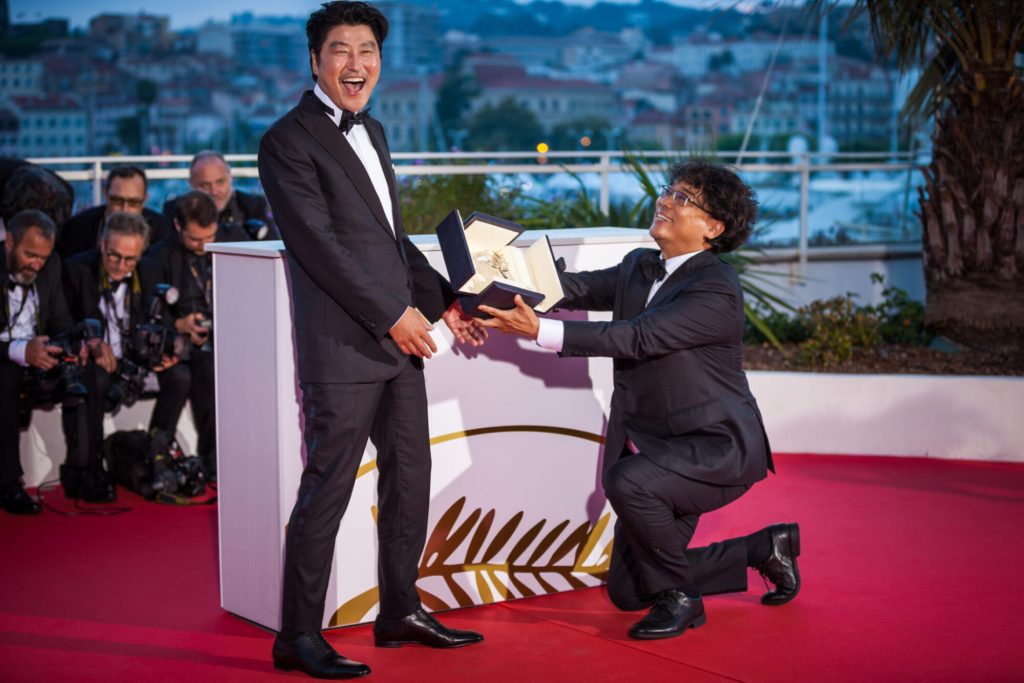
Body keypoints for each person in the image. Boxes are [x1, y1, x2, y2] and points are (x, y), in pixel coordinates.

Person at [478, 159, 801, 640]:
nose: (666, 200)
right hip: (662, 448)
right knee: (629, 592)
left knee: (629, 481)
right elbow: (573, 287)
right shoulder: (640, 265)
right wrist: (486, 281)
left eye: (683, 198)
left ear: (714, 227)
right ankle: (762, 549)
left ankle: (683, 599)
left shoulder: (717, 288)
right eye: (670, 190)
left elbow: (638, 337)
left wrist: (540, 330)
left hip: (717, 449)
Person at [258, 2, 486, 678]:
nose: (357, 63)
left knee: (411, 478)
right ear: (314, 59)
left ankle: (399, 610)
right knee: (327, 489)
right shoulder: (285, 141)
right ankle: (296, 634)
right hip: (343, 346)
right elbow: (321, 250)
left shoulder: (376, 130)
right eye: (340, 49)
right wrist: (395, 314)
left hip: (397, 346)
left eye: (368, 50)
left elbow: (389, 243)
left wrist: (449, 298)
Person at [61, 212, 164, 502]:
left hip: (134, 359)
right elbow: (62, 321)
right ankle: (89, 467)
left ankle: (156, 460)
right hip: (94, 363)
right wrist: (89, 341)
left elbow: (159, 323)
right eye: (113, 256)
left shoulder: (152, 271)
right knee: (94, 378)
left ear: (141, 253)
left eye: (129, 259)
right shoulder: (76, 269)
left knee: (181, 375)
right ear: (101, 244)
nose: (120, 265)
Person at [146, 190, 224, 479]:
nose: (204, 245)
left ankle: (218, 459)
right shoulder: (157, 257)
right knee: (203, 370)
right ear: (178, 226)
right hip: (182, 346)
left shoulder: (232, 243)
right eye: (195, 239)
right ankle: (208, 460)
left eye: (209, 237)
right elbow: (149, 311)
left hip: (227, 339)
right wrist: (179, 324)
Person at [1, 210, 73, 515]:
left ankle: (85, 471)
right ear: (9, 242)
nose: (36, 264)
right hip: (6, 357)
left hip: (39, 352)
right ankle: (9, 483)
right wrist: (20, 350)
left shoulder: (51, 265)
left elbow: (60, 318)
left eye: (43, 257)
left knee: (87, 373)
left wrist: (73, 346)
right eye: (30, 254)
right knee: (6, 376)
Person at [58, 165, 173, 259]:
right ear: (106, 195)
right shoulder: (79, 227)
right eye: (117, 201)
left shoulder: (163, 229)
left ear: (144, 200)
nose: (125, 209)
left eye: (133, 203)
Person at [162, 151, 278, 240]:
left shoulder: (253, 205)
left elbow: (272, 244)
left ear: (230, 178)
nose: (214, 191)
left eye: (220, 182)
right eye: (205, 185)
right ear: (191, 184)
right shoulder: (173, 209)